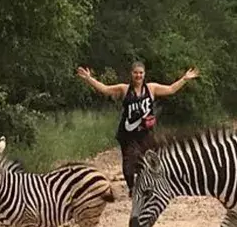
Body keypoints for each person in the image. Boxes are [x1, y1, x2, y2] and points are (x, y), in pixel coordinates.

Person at [76, 61, 200, 192]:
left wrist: (184, 79)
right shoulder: (124, 89)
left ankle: (146, 185)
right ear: (131, 74)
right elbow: (105, 89)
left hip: (146, 132)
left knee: (147, 160)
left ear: (144, 74)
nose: (138, 75)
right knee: (128, 160)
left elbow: (170, 89)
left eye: (141, 73)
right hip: (127, 132)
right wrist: (89, 79)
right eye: (136, 73)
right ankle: (132, 188)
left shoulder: (151, 88)